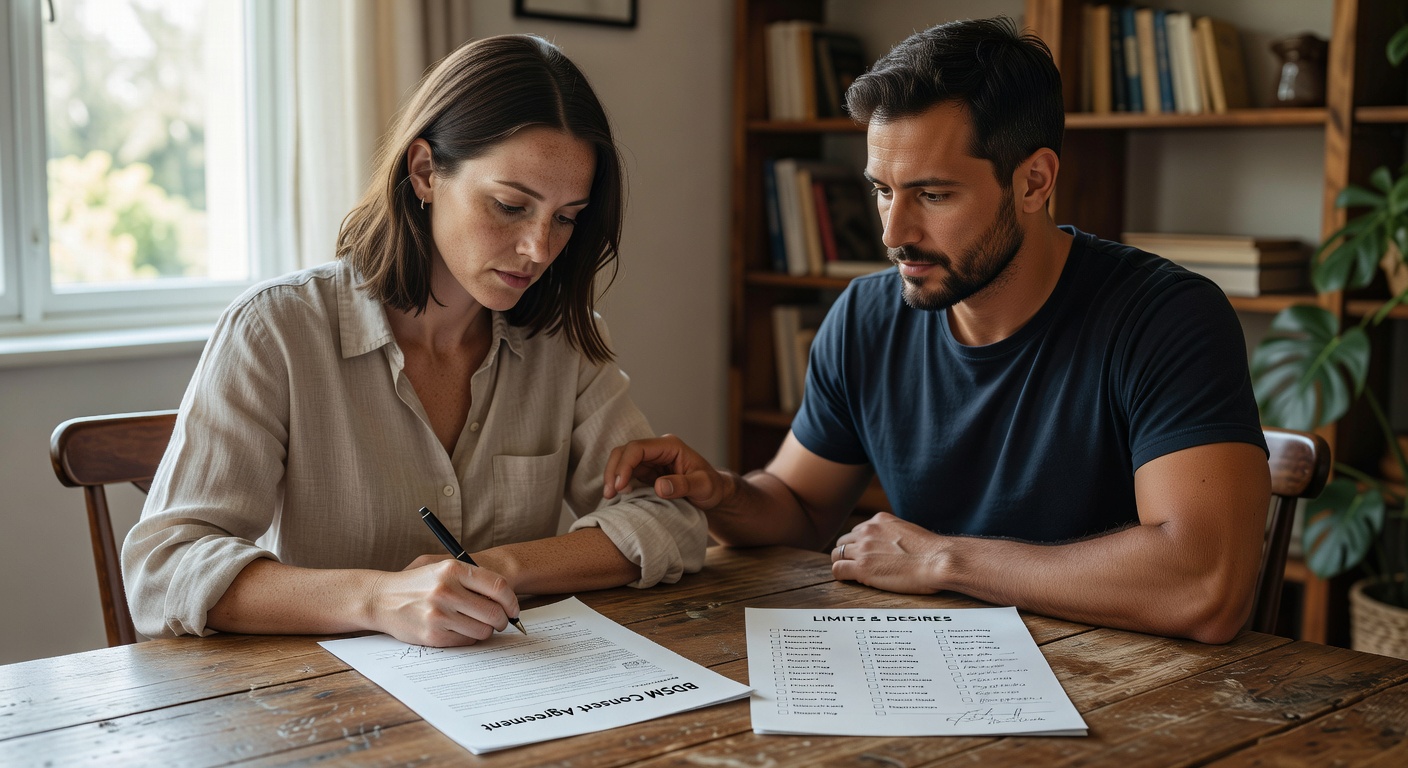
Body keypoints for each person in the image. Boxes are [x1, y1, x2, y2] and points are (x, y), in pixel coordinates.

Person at [604, 17, 1270, 644]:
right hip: (937, 677)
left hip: (1142, 694)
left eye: (933, 195)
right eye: (883, 191)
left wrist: (945, 560)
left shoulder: (1167, 318)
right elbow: (801, 509)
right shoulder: (864, 319)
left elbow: (1206, 587)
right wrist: (723, 494)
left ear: (1034, 181)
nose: (894, 234)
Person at [123, 35, 707, 647]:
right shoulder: (277, 331)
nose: (539, 249)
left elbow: (671, 518)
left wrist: (495, 568)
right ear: (426, 172)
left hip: (509, 700)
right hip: (318, 703)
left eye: (566, 217)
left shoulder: (563, 341)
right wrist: (378, 598)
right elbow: (162, 570)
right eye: (511, 205)